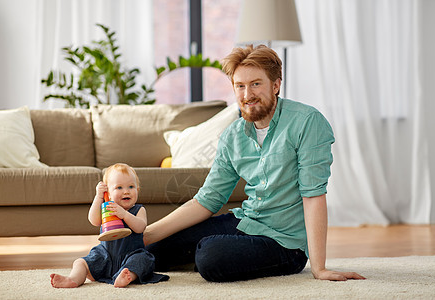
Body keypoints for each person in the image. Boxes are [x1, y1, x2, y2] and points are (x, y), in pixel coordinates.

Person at [144, 45, 365, 282]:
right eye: (240, 86)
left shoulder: (307, 122)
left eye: (256, 84)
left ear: (276, 85)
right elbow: (207, 200)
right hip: (246, 222)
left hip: (285, 242)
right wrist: (145, 235)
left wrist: (319, 268)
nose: (247, 94)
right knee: (151, 248)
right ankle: (107, 260)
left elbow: (313, 196)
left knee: (209, 256)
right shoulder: (233, 135)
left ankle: (206, 254)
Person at [50, 163, 168, 288]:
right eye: (119, 187)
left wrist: (124, 215)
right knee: (80, 262)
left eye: (131, 186)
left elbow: (140, 227)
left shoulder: (139, 210)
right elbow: (94, 220)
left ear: (137, 190)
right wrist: (99, 197)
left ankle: (126, 276)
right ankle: (73, 279)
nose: (126, 191)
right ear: (109, 194)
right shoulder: (107, 208)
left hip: (131, 254)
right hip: (105, 256)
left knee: (143, 260)